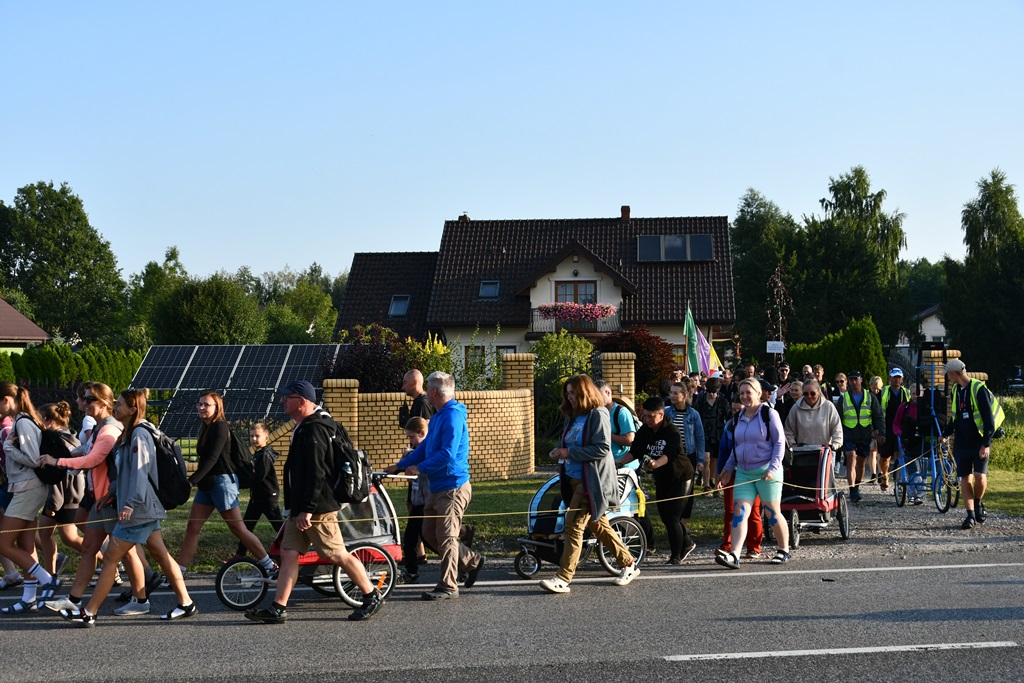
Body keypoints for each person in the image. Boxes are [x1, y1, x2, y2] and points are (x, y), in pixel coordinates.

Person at [246, 380, 384, 623]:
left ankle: (371, 595)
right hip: (301, 507)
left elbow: (317, 473)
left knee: (337, 554)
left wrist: (307, 510)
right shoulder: (304, 426)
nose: (282, 401)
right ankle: (278, 608)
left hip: (316, 508)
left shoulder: (314, 429)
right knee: (289, 553)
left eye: (287, 397)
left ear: (301, 401)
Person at [58, 389, 196, 626]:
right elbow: (125, 472)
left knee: (111, 558)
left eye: (120, 404)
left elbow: (140, 473)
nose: (115, 407)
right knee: (160, 554)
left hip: (139, 509)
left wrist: (130, 504)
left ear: (132, 409)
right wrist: (111, 493)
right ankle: (186, 603)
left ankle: (89, 612)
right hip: (143, 506)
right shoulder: (128, 432)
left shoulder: (139, 435)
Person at [533, 375, 639, 594]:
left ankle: (563, 578)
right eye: (567, 393)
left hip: (590, 482)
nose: (570, 397)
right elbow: (570, 443)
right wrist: (559, 451)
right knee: (597, 523)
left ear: (584, 392)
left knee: (573, 526)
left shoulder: (598, 414)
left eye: (573, 393)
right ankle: (628, 563)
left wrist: (568, 452)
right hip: (572, 479)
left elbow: (602, 448)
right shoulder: (573, 415)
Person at [386, 371, 485, 600]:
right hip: (438, 486)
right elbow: (425, 448)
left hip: (452, 487)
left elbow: (448, 454)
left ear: (432, 392)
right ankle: (472, 560)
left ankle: (448, 585)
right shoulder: (440, 415)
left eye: (427, 388)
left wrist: (420, 468)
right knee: (429, 533)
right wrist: (400, 465)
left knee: (446, 537)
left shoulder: (452, 417)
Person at [40, 383, 132, 613]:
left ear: (104, 403)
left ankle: (142, 597)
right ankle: (75, 599)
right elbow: (86, 452)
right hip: (100, 497)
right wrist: (68, 456)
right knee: (92, 548)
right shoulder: (100, 427)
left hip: (111, 498)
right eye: (86, 398)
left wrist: (58, 461)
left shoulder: (109, 429)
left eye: (90, 399)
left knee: (125, 553)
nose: (85, 402)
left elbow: (93, 460)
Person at [177, 391, 275, 577]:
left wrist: (191, 481)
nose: (201, 407)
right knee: (192, 527)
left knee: (237, 527)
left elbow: (213, 458)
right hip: (208, 485)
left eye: (206, 405)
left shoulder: (220, 427)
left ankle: (270, 566)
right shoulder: (206, 427)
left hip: (222, 483)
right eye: (199, 404)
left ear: (217, 408)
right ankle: (178, 572)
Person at [715, 377, 791, 569]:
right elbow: (737, 447)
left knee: (771, 512)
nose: (744, 396)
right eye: (741, 393)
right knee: (739, 512)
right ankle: (734, 554)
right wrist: (727, 469)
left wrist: (773, 469)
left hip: (767, 472)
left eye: (748, 392)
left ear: (758, 393)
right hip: (744, 472)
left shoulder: (769, 414)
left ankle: (783, 550)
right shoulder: (737, 418)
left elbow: (779, 443)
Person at [0, 383, 63, 613]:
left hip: (28, 488)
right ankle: (29, 599)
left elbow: (34, 459)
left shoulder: (23, 422)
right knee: (26, 545)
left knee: (3, 542)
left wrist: (8, 447)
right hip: (26, 487)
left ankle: (48, 580)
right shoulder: (24, 420)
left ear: (7, 400)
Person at [631, 397, 695, 564]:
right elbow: (634, 451)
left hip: (681, 476)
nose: (647, 419)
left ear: (661, 414)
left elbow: (670, 454)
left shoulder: (672, 431)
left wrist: (656, 463)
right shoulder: (644, 430)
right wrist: (616, 463)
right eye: (645, 416)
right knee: (665, 517)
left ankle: (675, 556)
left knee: (673, 517)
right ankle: (687, 543)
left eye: (651, 416)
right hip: (662, 478)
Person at [941, 359, 1001, 529]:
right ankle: (970, 515)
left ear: (953, 374)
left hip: (979, 441)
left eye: (948, 374)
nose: (947, 378)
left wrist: (986, 444)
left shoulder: (979, 389)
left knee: (980, 476)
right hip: (962, 442)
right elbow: (955, 417)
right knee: (965, 478)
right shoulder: (955, 390)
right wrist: (945, 433)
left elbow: (989, 421)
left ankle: (978, 502)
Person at [34, 403, 85, 575]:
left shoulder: (54, 441)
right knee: (65, 537)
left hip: (64, 497)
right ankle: (51, 574)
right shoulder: (71, 438)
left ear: (48, 420)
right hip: (71, 494)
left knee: (51, 534)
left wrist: (53, 503)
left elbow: (57, 475)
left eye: (40, 419)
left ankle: (109, 561)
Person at [235, 423, 283, 557]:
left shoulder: (265, 455)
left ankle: (290, 550)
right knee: (246, 526)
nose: (254, 439)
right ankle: (240, 554)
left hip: (267, 497)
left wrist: (243, 483)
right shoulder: (258, 453)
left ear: (266, 438)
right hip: (257, 497)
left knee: (278, 525)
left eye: (257, 436)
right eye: (251, 436)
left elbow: (259, 476)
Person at [837, 373, 884, 503]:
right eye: (851, 379)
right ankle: (852, 489)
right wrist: (837, 436)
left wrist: (880, 432)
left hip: (865, 434)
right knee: (851, 458)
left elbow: (878, 415)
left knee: (861, 461)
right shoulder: (844, 398)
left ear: (861, 380)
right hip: (849, 434)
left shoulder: (870, 396)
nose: (853, 382)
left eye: (855, 379)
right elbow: (837, 418)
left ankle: (857, 486)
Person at [665, 383, 705, 518]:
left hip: (688, 456)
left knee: (687, 490)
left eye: (676, 393)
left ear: (685, 396)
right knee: (670, 488)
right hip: (670, 456)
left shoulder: (694, 414)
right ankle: (672, 518)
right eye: (671, 392)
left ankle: (684, 521)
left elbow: (700, 437)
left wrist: (700, 460)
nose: (672, 395)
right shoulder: (666, 412)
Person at [784, 380, 843, 453]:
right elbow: (788, 430)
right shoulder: (796, 408)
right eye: (806, 394)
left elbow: (837, 428)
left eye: (812, 393)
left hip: (825, 452)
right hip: (802, 452)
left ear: (818, 392)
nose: (809, 396)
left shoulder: (828, 406)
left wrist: (835, 445)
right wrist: (792, 445)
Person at [878, 368, 911, 491]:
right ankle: (884, 475)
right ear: (890, 378)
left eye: (899, 377)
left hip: (900, 429)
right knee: (884, 457)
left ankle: (898, 483)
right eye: (895, 377)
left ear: (902, 379)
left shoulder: (906, 393)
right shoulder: (883, 392)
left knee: (899, 455)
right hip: (886, 428)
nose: (897, 379)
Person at [695, 376, 729, 493]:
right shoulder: (701, 402)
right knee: (706, 459)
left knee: (717, 460)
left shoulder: (723, 402)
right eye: (709, 391)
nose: (711, 394)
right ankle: (706, 485)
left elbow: (729, 416)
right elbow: (696, 415)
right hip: (704, 434)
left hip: (719, 433)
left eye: (714, 391)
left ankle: (716, 486)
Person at [594, 380, 638, 470]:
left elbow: (630, 440)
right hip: (606, 464)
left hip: (623, 466)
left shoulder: (621, 412)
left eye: (597, 395)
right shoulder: (597, 413)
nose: (595, 398)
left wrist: (605, 434)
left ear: (608, 393)